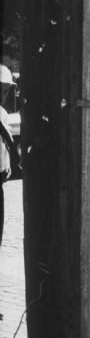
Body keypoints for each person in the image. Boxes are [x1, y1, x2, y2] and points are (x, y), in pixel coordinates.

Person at [0, 65, 19, 247]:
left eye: (6, 90)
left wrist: (9, 167)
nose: (3, 95)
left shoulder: (3, 113)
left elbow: (7, 145)